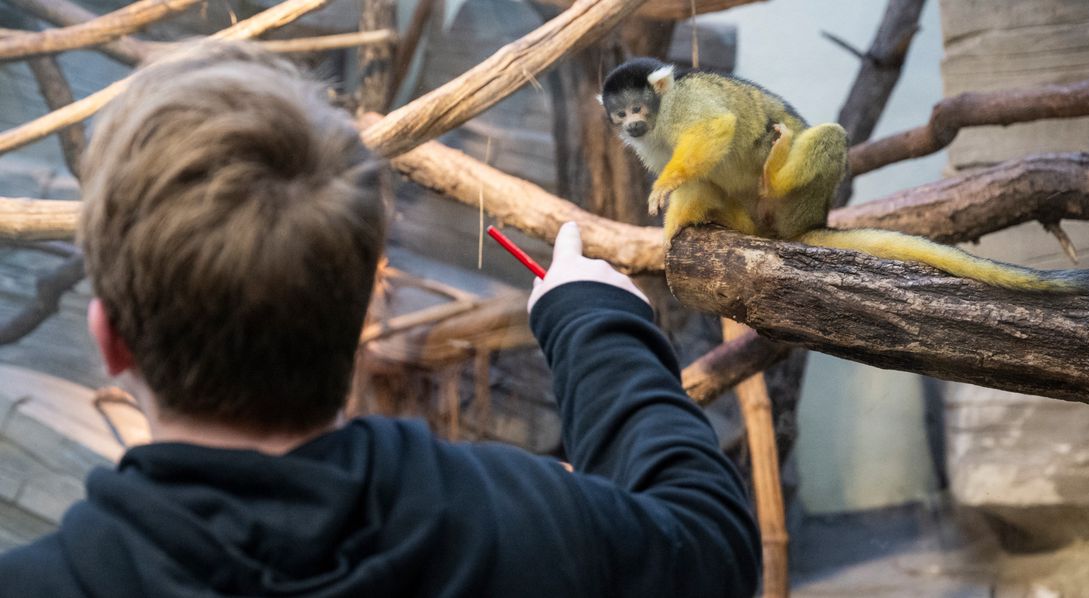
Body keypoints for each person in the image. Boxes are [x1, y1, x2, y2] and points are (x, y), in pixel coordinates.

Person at [0, 42, 760, 597]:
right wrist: (598, 325)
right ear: (370, 302)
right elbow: (709, 542)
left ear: (110, 340)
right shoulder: (513, 525)